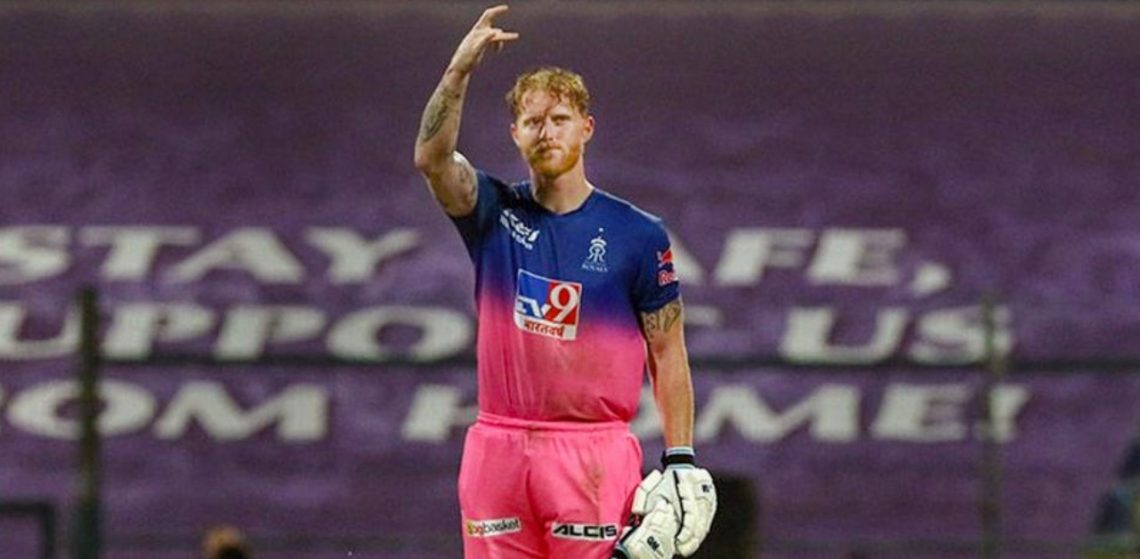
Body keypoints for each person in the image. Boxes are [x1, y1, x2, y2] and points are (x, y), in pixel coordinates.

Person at [413, 5, 716, 559]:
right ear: (515, 134)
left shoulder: (637, 234)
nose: (546, 132)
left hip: (592, 453)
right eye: (533, 122)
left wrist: (680, 457)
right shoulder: (491, 210)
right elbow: (432, 160)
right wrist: (457, 72)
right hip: (497, 450)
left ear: (586, 128)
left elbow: (667, 350)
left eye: (559, 119)